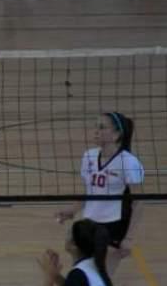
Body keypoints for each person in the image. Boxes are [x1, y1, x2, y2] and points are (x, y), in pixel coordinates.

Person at [56, 113, 144, 275]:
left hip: (114, 225)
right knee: (71, 247)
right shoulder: (89, 156)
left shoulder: (128, 162)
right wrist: (72, 210)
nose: (96, 131)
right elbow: (90, 192)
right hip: (89, 222)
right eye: (95, 126)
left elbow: (138, 202)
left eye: (102, 127)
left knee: (102, 279)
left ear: (117, 134)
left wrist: (129, 238)